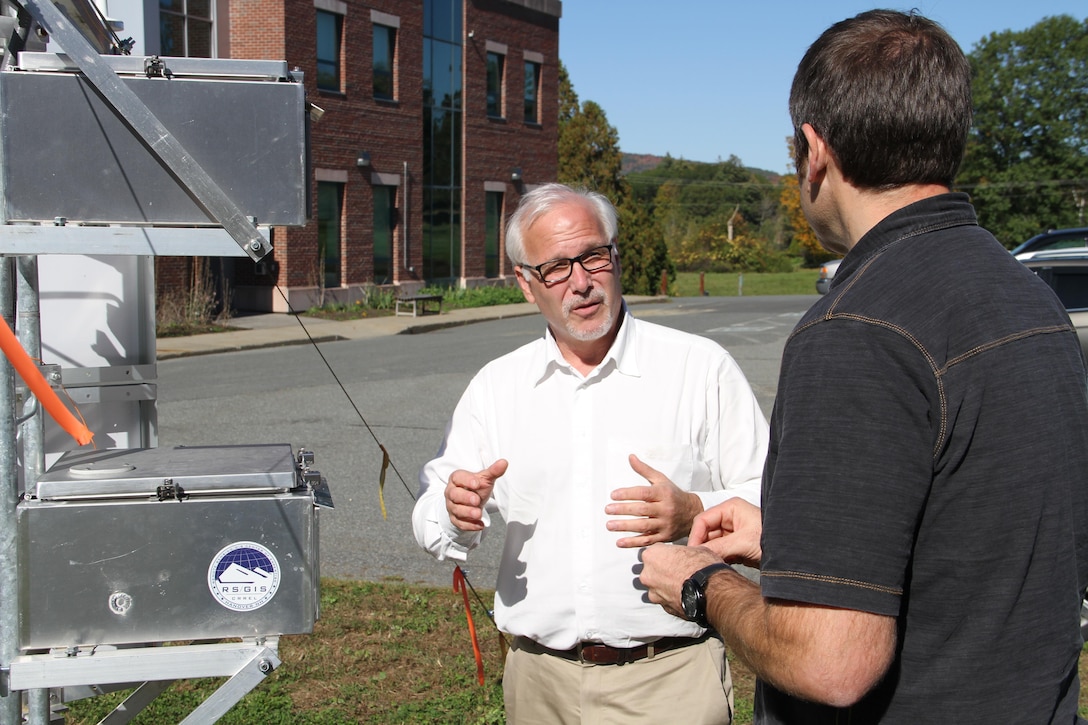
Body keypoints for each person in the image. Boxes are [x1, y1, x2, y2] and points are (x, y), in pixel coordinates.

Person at [640, 9, 1088, 723]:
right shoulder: (1029, 298)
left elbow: (832, 659)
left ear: (814, 151)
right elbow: (981, 536)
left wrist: (704, 586)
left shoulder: (854, 329)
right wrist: (795, 540)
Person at [412, 182, 769, 724]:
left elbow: (770, 500)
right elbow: (433, 517)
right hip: (539, 684)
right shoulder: (497, 386)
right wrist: (452, 507)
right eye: (555, 267)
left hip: (668, 679)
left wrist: (694, 510)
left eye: (593, 256)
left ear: (616, 256)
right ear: (527, 285)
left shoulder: (700, 368)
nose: (580, 282)